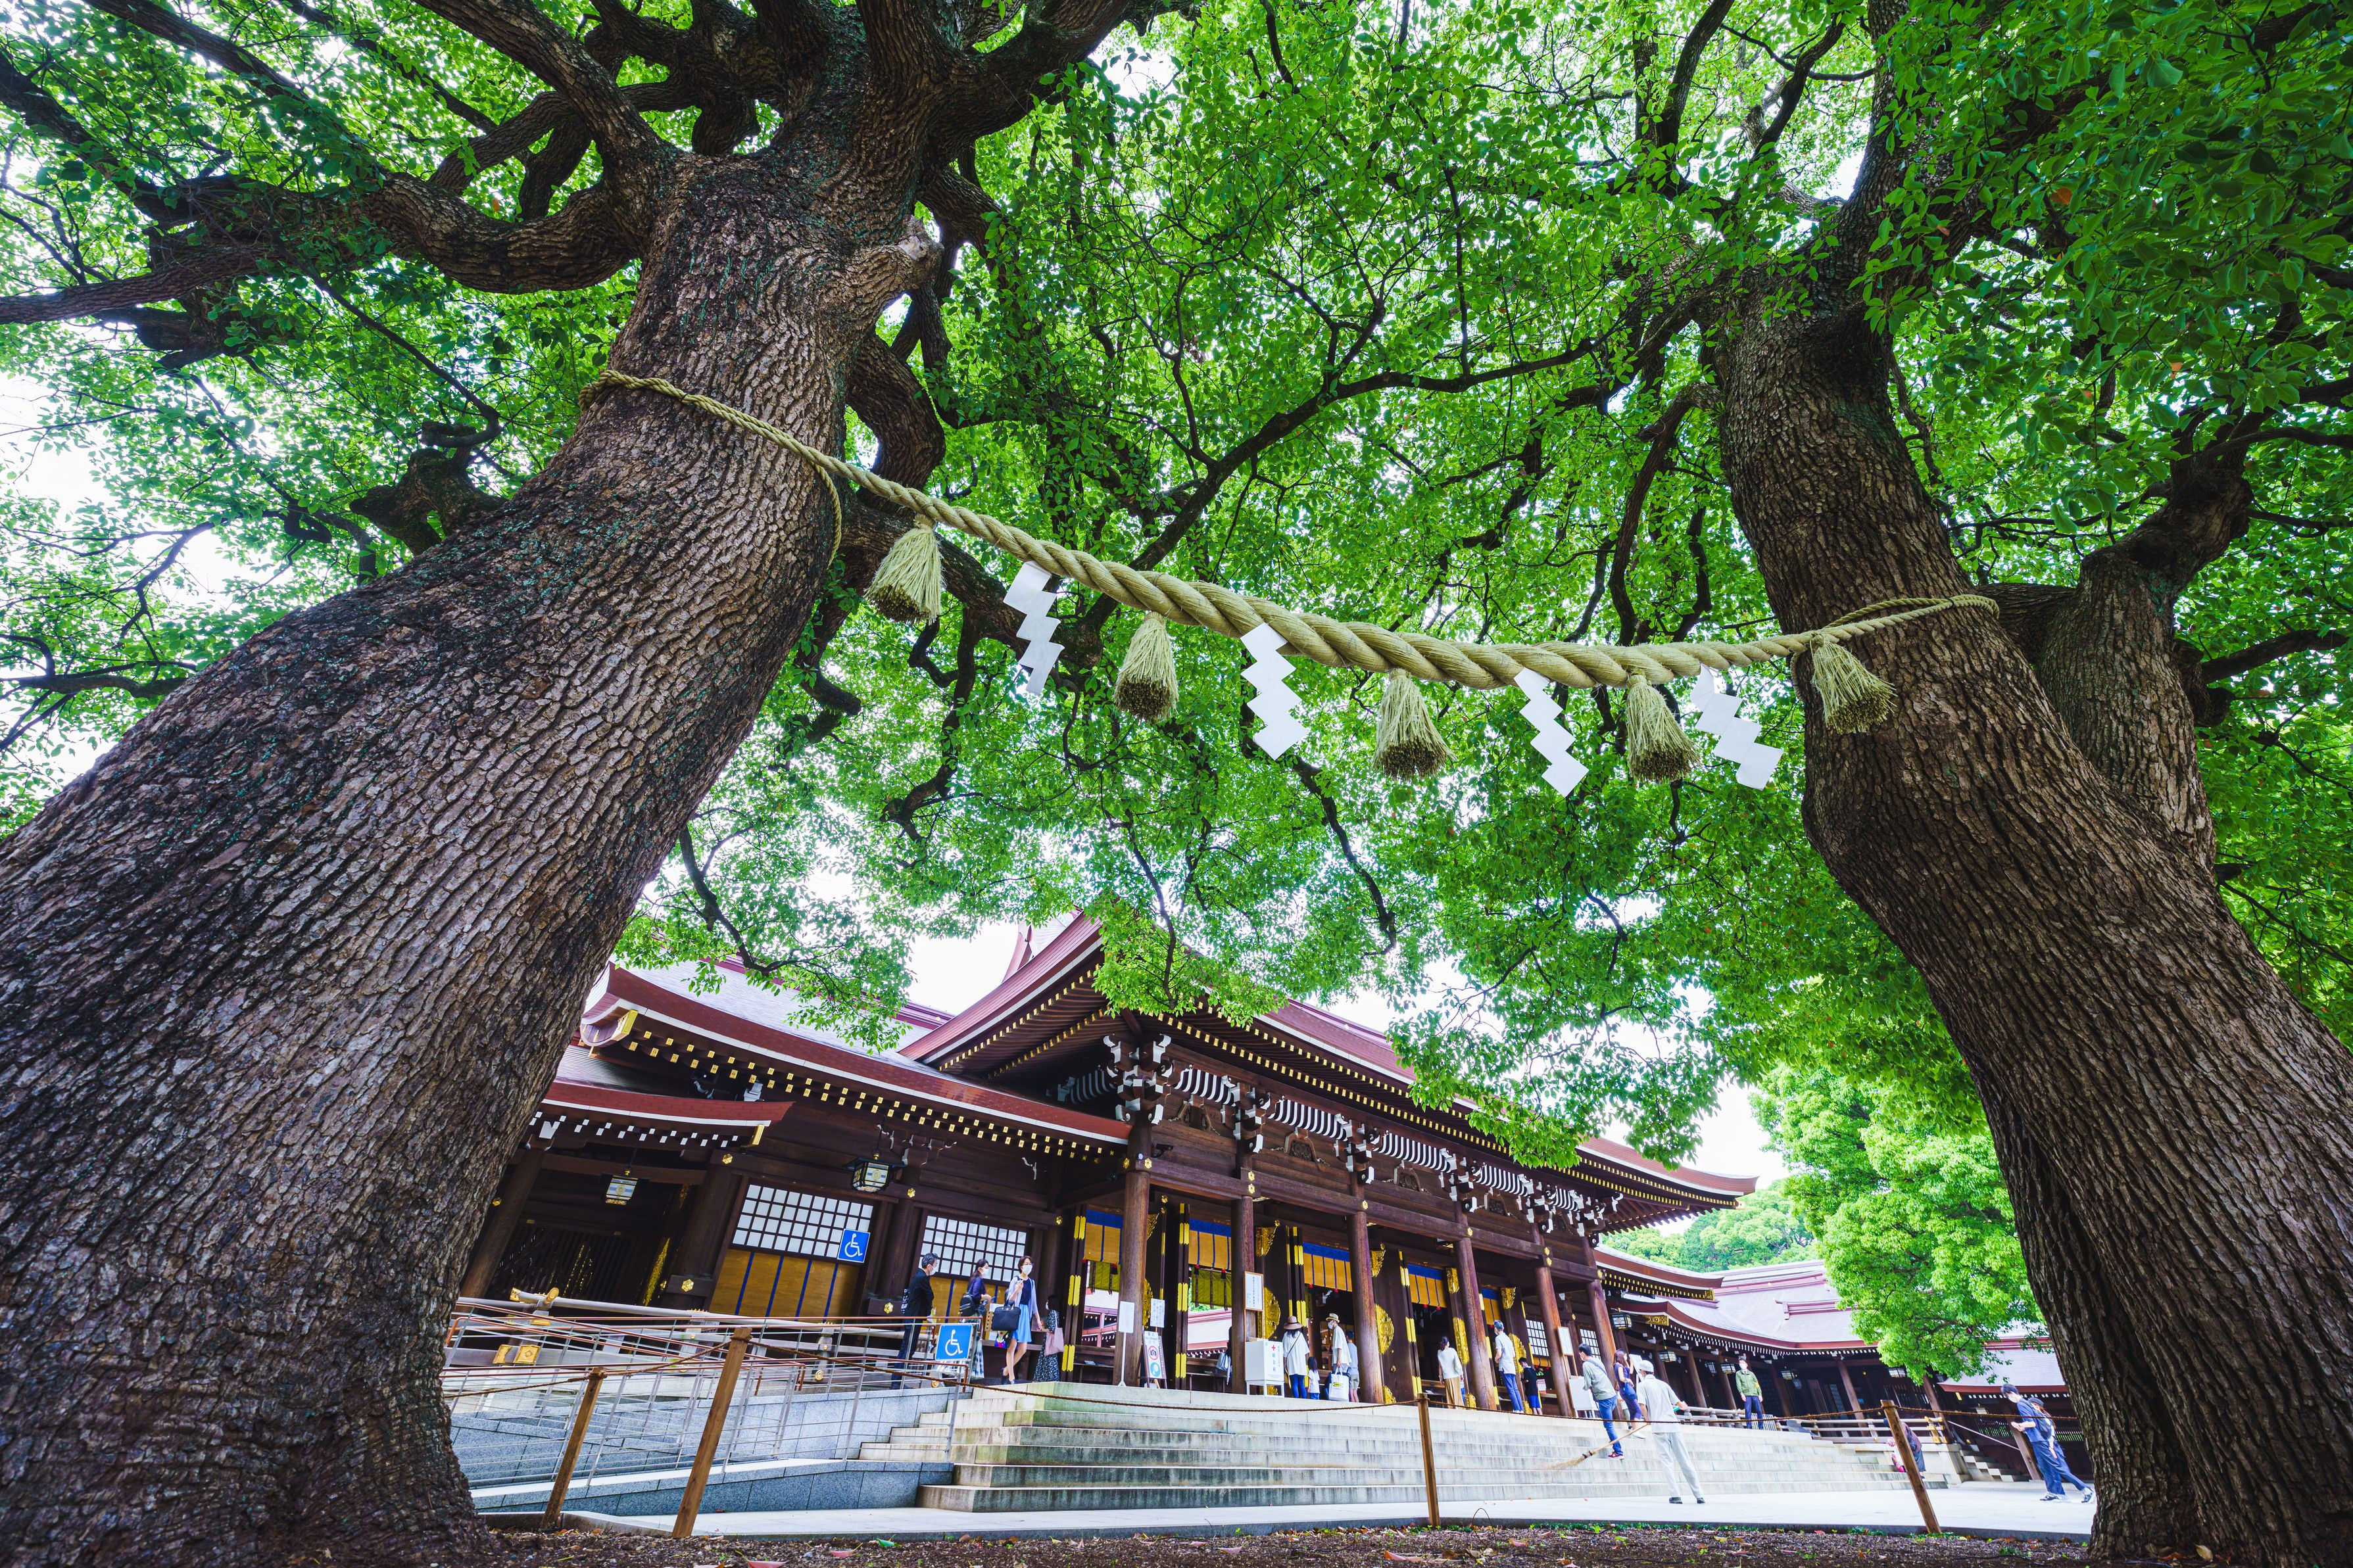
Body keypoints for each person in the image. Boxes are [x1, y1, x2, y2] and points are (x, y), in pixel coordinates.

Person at [2004, 1383, 2094, 1503]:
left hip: (2039, 1441)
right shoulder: (2027, 1403)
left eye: (2007, 1396)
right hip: (2038, 1440)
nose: (2009, 1398)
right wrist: (2023, 1427)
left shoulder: (2021, 1404)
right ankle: (2055, 1493)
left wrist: (2018, 1425)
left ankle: (2086, 1490)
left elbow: (2032, 1423)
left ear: (2010, 1393)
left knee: (2057, 1467)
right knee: (2044, 1468)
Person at [1637, 1360, 1706, 1504]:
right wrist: (1684, 1406)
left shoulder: (1642, 1385)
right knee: (1684, 1459)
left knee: (1667, 1461)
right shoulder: (1664, 1385)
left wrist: (1648, 1419)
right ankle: (1699, 1495)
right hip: (1673, 1425)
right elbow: (1679, 1405)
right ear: (1652, 1372)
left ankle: (1676, 1495)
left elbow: (1642, 1405)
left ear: (1642, 1372)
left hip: (1659, 1427)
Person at [891, 1254, 940, 1389]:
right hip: (914, 1318)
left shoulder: (919, 1276)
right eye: (935, 1265)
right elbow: (930, 1295)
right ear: (929, 1266)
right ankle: (896, 1382)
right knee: (908, 1350)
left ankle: (897, 1381)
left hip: (912, 1316)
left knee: (906, 1349)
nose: (936, 1267)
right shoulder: (922, 1278)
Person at [1001, 1256, 1040, 1385]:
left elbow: (1033, 1302)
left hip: (1025, 1315)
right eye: (1026, 1264)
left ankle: (1006, 1370)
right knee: (1012, 1347)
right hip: (1015, 1314)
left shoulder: (1031, 1282)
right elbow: (1009, 1300)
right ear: (1021, 1266)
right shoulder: (1015, 1280)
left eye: (1030, 1264)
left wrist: (1037, 1318)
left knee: (1023, 1349)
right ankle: (1011, 1378)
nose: (1029, 1266)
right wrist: (1017, 1291)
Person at [1581, 1345, 1622, 1457]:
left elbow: (1588, 1383)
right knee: (1608, 1423)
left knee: (1609, 1425)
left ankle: (1618, 1451)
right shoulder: (1598, 1361)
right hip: (1612, 1395)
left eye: (1580, 1353)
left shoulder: (1586, 1365)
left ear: (1583, 1353)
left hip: (1604, 1398)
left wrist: (1583, 1388)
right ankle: (1613, 1440)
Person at [1491, 1319, 1528, 1413]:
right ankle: (1521, 1409)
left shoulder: (1498, 1338)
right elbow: (1513, 1355)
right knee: (1515, 1388)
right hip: (1511, 1366)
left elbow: (1499, 1353)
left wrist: (1496, 1359)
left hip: (1505, 1366)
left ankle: (1516, 1409)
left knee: (1510, 1389)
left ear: (1495, 1329)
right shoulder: (1508, 1339)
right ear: (1503, 1328)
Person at [1326, 1314, 1358, 1400]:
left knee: (1338, 1380)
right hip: (1344, 1361)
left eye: (1329, 1321)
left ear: (1333, 1321)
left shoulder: (1337, 1330)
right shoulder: (1339, 1330)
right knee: (1342, 1379)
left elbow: (1339, 1347)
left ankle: (1339, 1397)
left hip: (1341, 1361)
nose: (1328, 1323)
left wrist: (1339, 1360)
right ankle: (1343, 1397)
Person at [1282, 1319, 1314, 1398]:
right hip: (1301, 1363)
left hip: (1291, 1362)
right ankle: (1304, 1400)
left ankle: (1296, 1400)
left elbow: (1285, 1352)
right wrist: (1306, 1363)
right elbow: (1306, 1351)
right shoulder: (1300, 1335)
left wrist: (1285, 1363)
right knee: (1301, 1384)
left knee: (1294, 1383)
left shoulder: (1286, 1336)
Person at [1734, 1358, 1764, 1429]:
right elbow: (1739, 1384)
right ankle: (1749, 1426)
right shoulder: (1738, 1374)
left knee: (1759, 1410)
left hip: (1755, 1394)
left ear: (1746, 1365)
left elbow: (1757, 1384)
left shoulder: (1751, 1374)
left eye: (1743, 1363)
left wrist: (1760, 1394)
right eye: (1740, 1363)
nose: (1741, 1364)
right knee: (1748, 1411)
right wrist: (1742, 1394)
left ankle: (1761, 1426)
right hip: (1746, 1395)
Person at [1436, 1337, 1466, 1408]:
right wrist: (1461, 1374)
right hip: (1455, 1375)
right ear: (1448, 1343)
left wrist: (1440, 1377)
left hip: (1447, 1376)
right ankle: (1459, 1407)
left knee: (1449, 1394)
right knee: (1457, 1393)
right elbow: (1458, 1363)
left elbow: (1440, 1366)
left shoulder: (1439, 1352)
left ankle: (1451, 1407)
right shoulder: (1452, 1351)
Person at [1614, 1350, 1644, 1419]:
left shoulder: (1620, 1365)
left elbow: (1630, 1371)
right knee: (1638, 1411)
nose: (1626, 1357)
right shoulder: (1619, 1366)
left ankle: (1634, 1425)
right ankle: (1637, 1426)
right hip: (1626, 1389)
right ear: (1622, 1356)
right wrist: (1629, 1380)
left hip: (1626, 1389)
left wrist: (1631, 1363)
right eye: (1625, 1356)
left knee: (1632, 1412)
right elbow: (1622, 1378)